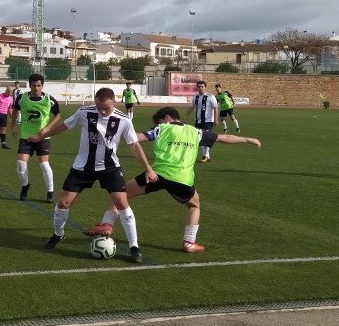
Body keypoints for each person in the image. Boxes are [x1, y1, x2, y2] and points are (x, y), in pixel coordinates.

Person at [83, 106, 261, 253]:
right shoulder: (195, 132)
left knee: (120, 194)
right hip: (182, 179)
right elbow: (223, 138)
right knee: (194, 205)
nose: (157, 125)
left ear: (167, 118)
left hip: (157, 175)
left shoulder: (162, 129)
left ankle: (107, 224)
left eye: (158, 121)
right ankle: (189, 243)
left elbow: (135, 138)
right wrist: (247, 138)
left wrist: (108, 132)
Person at [29, 88, 157, 263]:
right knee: (63, 202)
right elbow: (64, 126)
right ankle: (58, 234)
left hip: (110, 167)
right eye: (98, 107)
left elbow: (134, 146)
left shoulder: (124, 120)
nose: (101, 111)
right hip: (83, 167)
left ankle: (134, 247)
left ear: (113, 101)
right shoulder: (84, 112)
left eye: (105, 107)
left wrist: (148, 168)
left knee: (121, 202)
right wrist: (41, 137)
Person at [9, 73, 60, 202]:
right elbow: (15, 110)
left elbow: (58, 115)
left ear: (42, 85)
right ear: (30, 85)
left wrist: (48, 128)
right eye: (33, 85)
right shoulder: (22, 98)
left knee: (44, 164)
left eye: (39, 85)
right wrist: (13, 126)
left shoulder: (49, 99)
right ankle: (25, 186)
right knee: (20, 164)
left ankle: (50, 191)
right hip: (26, 136)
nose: (36, 88)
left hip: (42, 137)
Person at [184, 80, 219, 163]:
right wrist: (186, 116)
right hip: (198, 121)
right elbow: (192, 107)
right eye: (199, 87)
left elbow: (215, 108)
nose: (200, 88)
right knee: (199, 138)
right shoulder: (195, 97)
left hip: (208, 121)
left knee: (206, 138)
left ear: (205, 87)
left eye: (202, 86)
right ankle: (207, 156)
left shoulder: (210, 96)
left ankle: (205, 156)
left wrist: (215, 119)